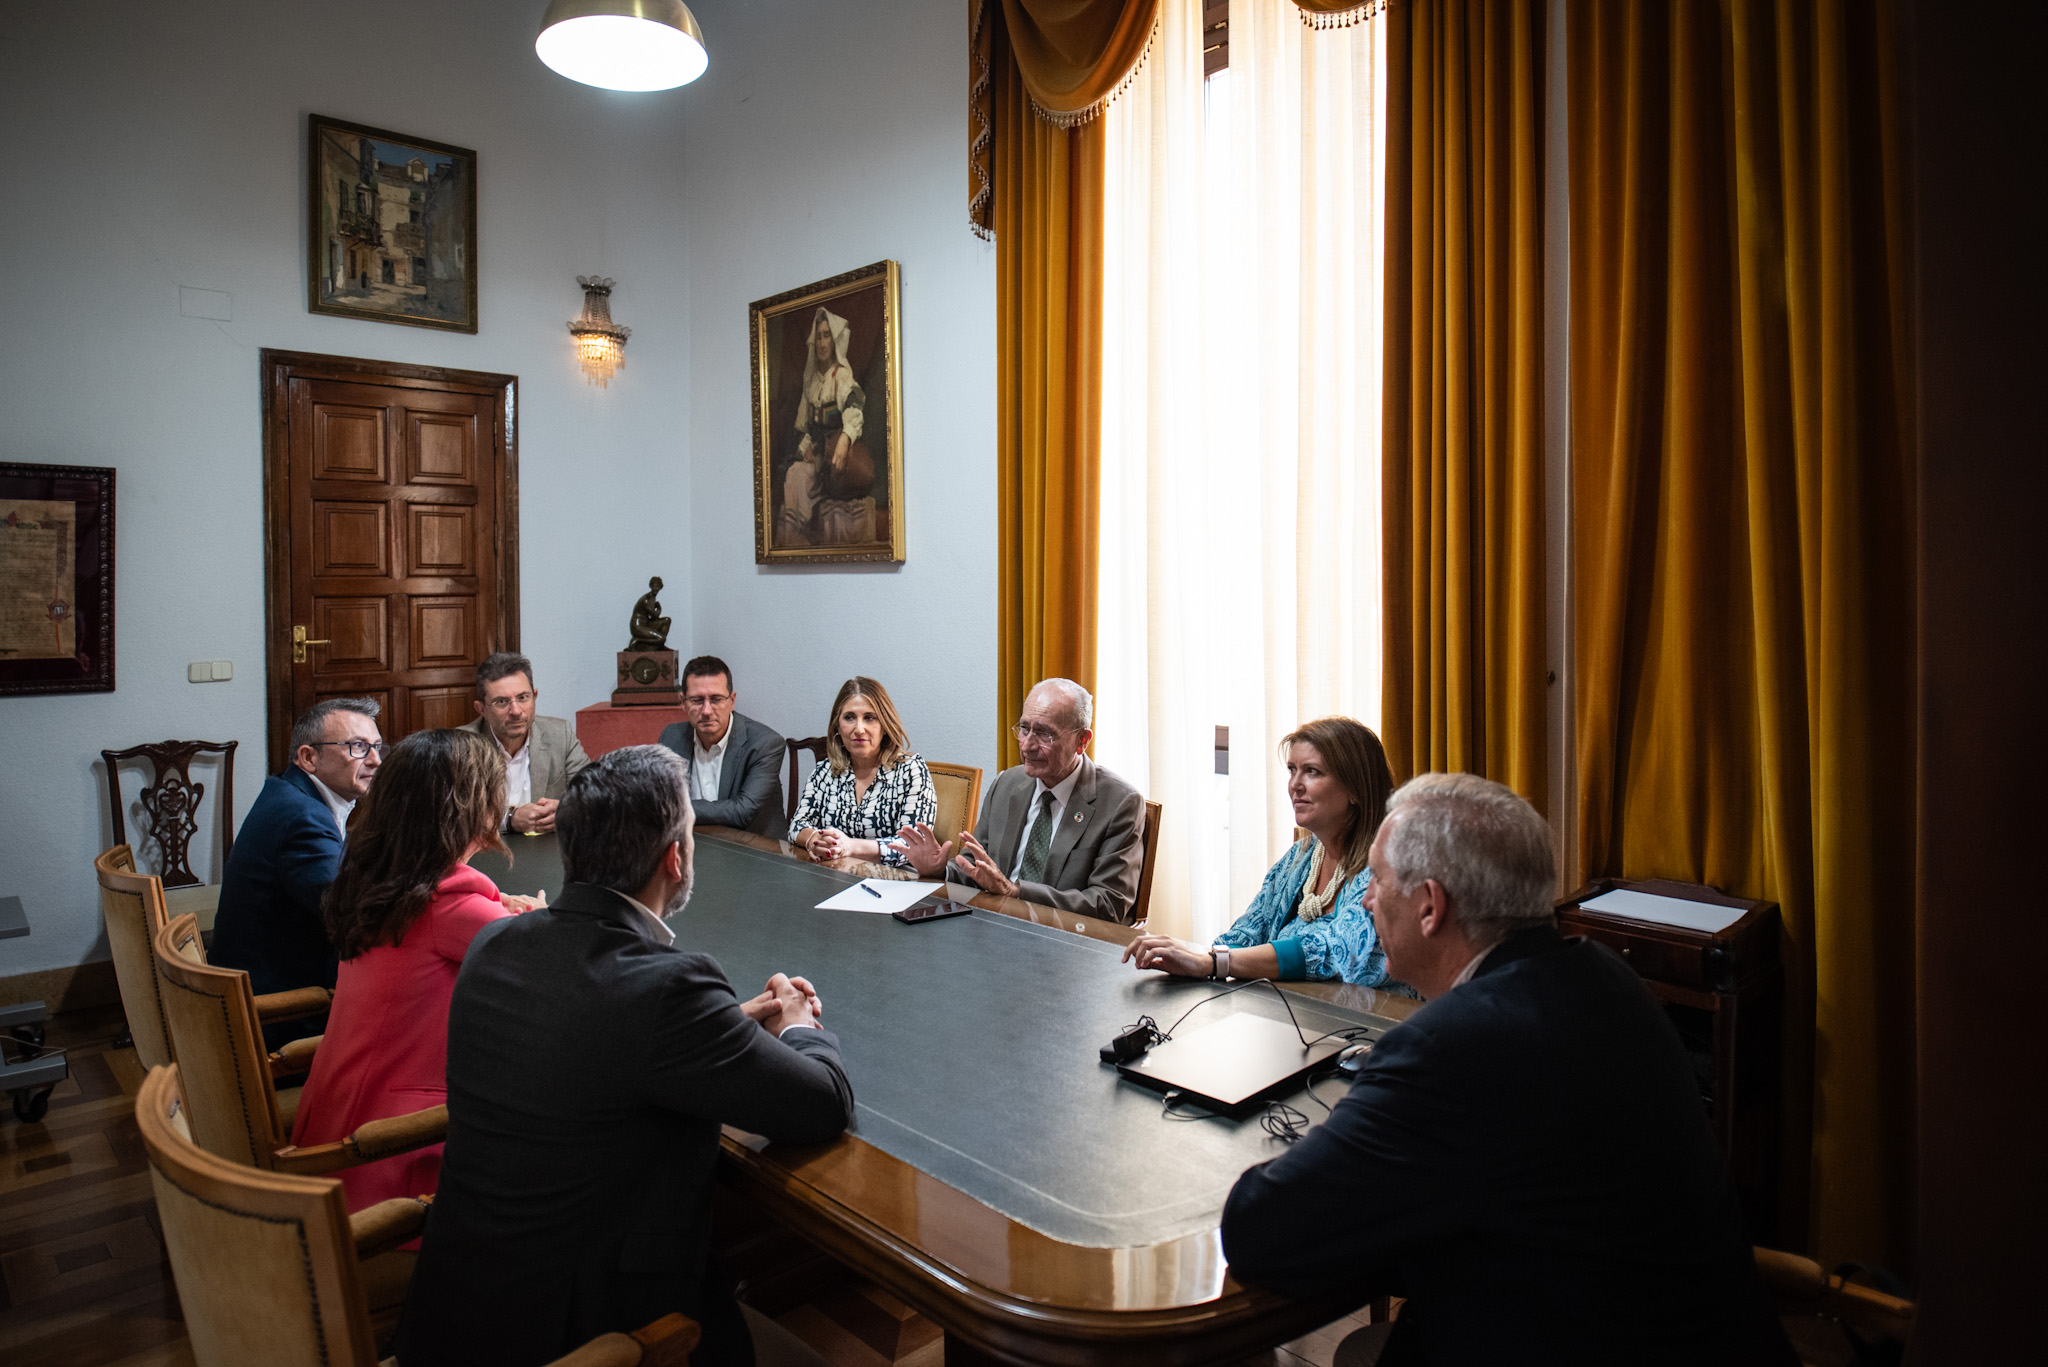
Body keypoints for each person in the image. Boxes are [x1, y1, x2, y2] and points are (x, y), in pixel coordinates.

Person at [1219, 773, 1796, 1366]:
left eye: (1378, 883)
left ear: (1430, 906)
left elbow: (1260, 1229)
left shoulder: (1448, 1050)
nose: (1366, 901)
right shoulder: (1605, 977)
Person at [396, 746, 854, 1367]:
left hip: (453, 1318)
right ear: (675, 857)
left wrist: (724, 1024)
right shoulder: (668, 988)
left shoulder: (496, 943)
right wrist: (799, 1024)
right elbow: (821, 1102)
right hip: (588, 1336)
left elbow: (593, 1038)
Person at [290, 729, 542, 1213]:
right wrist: (538, 918)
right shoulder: (451, 905)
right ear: (472, 808)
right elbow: (556, 973)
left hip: (340, 1114)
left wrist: (501, 908)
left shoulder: (382, 877)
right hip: (395, 1153)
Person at [1122, 717, 1398, 984]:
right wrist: (1194, 957)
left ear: (1356, 789)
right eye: (1292, 770)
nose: (1295, 785)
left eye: (1312, 771)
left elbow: (1330, 950)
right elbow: (1248, 932)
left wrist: (1213, 962)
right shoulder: (1302, 856)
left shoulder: (1388, 865)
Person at [899, 678, 1147, 924]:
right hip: (990, 926)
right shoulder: (1006, 784)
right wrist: (940, 870)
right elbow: (977, 868)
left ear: (1082, 741)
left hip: (1063, 938)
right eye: (1025, 729)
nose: (1027, 746)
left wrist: (1016, 892)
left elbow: (1108, 904)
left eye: (1045, 734)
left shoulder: (1119, 803)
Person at [212, 697, 384, 1039]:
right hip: (278, 1015)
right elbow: (352, 914)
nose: (375, 760)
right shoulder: (302, 817)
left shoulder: (289, 793)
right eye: (358, 747)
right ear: (309, 757)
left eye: (377, 747)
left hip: (261, 986)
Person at [787, 676, 935, 877]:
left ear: (885, 725)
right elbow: (797, 825)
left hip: (895, 883)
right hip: (835, 879)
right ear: (837, 726)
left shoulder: (910, 770)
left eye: (869, 718)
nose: (859, 729)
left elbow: (912, 846)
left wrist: (850, 846)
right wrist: (815, 839)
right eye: (849, 717)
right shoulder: (825, 771)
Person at [458, 651, 591, 834]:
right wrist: (509, 819)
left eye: (522, 698)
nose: (516, 711)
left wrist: (565, 810)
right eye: (502, 701)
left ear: (534, 697)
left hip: (546, 848)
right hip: (485, 848)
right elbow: (454, 815)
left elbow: (592, 795)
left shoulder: (560, 734)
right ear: (481, 709)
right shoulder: (461, 746)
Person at [656, 655, 787, 838]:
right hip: (692, 842)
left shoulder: (765, 744)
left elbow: (742, 812)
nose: (706, 711)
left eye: (716, 699)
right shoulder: (671, 737)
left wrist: (674, 807)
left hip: (753, 847)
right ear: (683, 702)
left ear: (732, 701)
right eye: (697, 700)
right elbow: (658, 798)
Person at [778, 306, 875, 548]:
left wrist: (845, 438)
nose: (822, 343)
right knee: (794, 471)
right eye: (819, 337)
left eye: (827, 336)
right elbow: (807, 428)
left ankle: (802, 539)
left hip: (835, 461)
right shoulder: (812, 383)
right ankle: (797, 545)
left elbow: (854, 406)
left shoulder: (840, 377)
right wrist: (804, 451)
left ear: (834, 341)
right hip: (816, 460)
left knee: (798, 475)